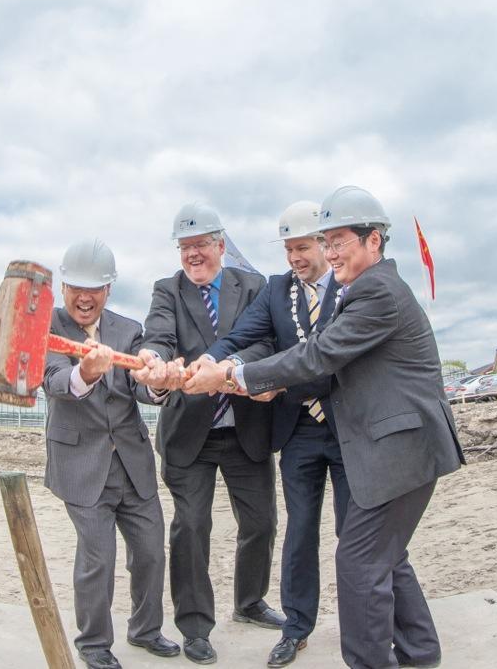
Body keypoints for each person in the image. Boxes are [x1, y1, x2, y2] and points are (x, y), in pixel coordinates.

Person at [187, 186, 465, 669]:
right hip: (393, 446)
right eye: (327, 241)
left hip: (397, 449)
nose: (330, 251)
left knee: (359, 563)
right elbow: (264, 341)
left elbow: (318, 355)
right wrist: (222, 363)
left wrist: (235, 377)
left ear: (373, 240)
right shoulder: (361, 288)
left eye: (338, 241)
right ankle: (421, 653)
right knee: (386, 556)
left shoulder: (375, 291)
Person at [200, 202, 349, 668]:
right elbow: (244, 336)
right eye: (287, 249)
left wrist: (267, 380)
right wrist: (212, 361)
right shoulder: (277, 289)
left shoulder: (353, 288)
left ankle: (364, 624)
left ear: (326, 243)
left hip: (348, 429)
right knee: (299, 532)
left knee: (355, 534)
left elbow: (335, 362)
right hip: (299, 429)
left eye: (302, 247)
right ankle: (296, 627)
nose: (294, 258)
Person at [133, 203, 283, 665]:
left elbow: (268, 343)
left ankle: (250, 601)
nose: (192, 254)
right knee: (192, 527)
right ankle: (196, 626)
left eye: (200, 244)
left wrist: (227, 367)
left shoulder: (254, 286)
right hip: (189, 435)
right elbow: (157, 336)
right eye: (185, 247)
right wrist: (156, 364)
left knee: (260, 523)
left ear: (221, 245)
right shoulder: (167, 290)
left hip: (246, 429)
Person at [42, 239, 180, 669]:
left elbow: (141, 387)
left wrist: (157, 382)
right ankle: (94, 644)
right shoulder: (47, 327)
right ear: (63, 287)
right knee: (98, 557)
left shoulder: (127, 330)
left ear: (109, 290)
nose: (85, 297)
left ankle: (145, 630)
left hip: (132, 464)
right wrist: (84, 371)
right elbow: (51, 380)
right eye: (76, 288)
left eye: (95, 289)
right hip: (82, 465)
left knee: (152, 552)